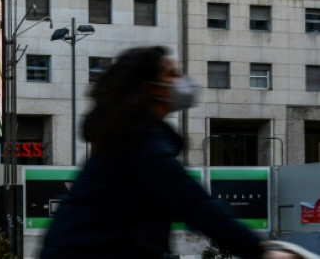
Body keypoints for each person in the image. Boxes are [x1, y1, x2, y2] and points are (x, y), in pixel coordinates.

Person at [39, 46, 296, 259]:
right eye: (172, 74)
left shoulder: (133, 135)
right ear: (151, 88)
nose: (181, 81)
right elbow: (192, 203)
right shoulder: (138, 141)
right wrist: (259, 251)